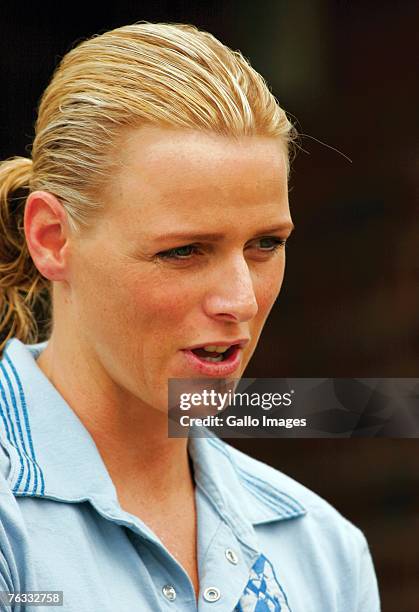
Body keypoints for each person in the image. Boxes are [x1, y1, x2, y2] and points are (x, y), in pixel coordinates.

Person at [0, 22, 380, 612]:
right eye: (183, 251)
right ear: (53, 239)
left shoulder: (322, 553)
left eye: (266, 244)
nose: (241, 299)